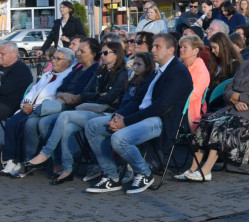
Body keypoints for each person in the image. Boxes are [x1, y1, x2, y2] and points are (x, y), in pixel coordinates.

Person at [84, 33, 193, 194]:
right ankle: (111, 176)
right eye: (153, 46)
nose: (153, 49)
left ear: (171, 50)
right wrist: (118, 116)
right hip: (141, 116)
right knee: (93, 126)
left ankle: (144, 173)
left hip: (160, 121)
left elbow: (161, 106)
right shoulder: (158, 71)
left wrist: (126, 121)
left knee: (118, 138)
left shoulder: (178, 72)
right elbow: (137, 99)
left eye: (158, 47)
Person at [176, 36, 249, 181]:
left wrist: (237, 97)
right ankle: (192, 169)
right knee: (204, 124)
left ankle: (206, 170)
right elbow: (228, 88)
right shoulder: (246, 65)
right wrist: (234, 98)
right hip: (231, 108)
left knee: (219, 126)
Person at [22, 41, 131, 183]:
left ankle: (46, 153)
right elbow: (86, 93)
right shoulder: (100, 72)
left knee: (64, 115)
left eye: (106, 53)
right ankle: (67, 169)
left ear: (116, 55)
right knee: (66, 128)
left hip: (105, 113)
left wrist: (99, 95)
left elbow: (110, 98)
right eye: (101, 53)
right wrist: (99, 95)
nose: (102, 56)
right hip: (90, 108)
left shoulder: (121, 73)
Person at [0, 48, 73, 172]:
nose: (53, 61)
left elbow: (53, 99)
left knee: (26, 124)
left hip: (43, 110)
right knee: (12, 123)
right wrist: (26, 102)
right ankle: (11, 159)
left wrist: (32, 107)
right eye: (53, 58)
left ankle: (25, 160)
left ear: (68, 62)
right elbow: (33, 90)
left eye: (57, 59)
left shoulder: (67, 77)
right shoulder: (48, 74)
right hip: (29, 107)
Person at [177, 34, 212, 131]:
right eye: (181, 47)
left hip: (189, 110)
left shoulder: (201, 70)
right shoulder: (182, 66)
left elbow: (192, 96)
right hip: (178, 105)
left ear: (195, 51)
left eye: (185, 47)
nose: (181, 49)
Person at [0, 42, 33, 122]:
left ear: (14, 54)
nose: (0, 56)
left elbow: (4, 90)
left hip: (11, 105)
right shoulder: (2, 66)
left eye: (2, 54)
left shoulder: (21, 69)